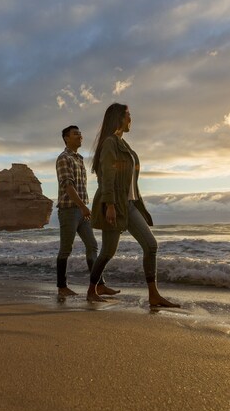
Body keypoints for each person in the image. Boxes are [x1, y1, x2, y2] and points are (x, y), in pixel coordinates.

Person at [86, 104, 179, 308]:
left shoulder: (124, 145)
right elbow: (107, 176)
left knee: (151, 245)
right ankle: (92, 290)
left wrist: (140, 207)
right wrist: (109, 204)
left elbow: (131, 183)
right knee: (107, 252)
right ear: (119, 118)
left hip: (129, 205)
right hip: (115, 205)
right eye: (128, 115)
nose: (131, 119)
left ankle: (153, 295)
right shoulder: (110, 143)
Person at [55, 125, 119, 299]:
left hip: (82, 211)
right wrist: (83, 206)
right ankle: (62, 287)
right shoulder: (63, 158)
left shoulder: (79, 159)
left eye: (81, 133)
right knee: (65, 250)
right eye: (76, 134)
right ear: (66, 138)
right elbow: (68, 186)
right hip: (69, 210)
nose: (80, 136)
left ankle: (99, 285)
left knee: (92, 246)